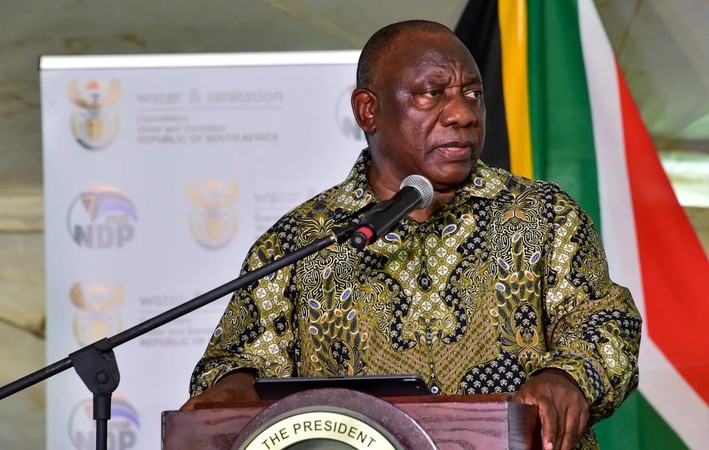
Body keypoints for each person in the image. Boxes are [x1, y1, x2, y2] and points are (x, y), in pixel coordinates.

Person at [182, 19, 641, 450]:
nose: (462, 114)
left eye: (473, 94)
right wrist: (233, 389)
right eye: (432, 94)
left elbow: (605, 321)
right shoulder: (300, 243)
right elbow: (236, 365)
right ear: (368, 111)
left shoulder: (545, 216)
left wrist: (567, 377)